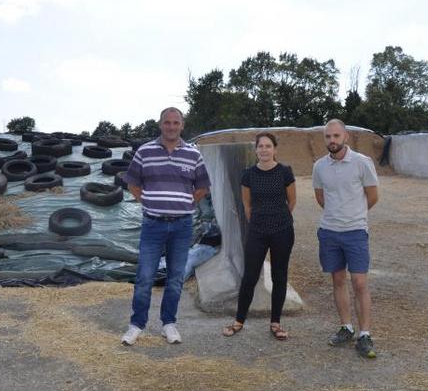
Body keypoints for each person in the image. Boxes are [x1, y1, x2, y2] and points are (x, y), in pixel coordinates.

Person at [120, 107, 211, 346]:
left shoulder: (193, 154)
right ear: (160, 125)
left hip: (182, 227)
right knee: (144, 277)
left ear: (182, 125)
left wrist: (188, 203)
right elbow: (132, 183)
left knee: (175, 278)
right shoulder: (145, 152)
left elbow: (203, 186)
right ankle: (136, 325)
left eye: (176, 122)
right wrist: (147, 201)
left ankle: (168, 324)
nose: (171, 126)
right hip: (153, 225)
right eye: (167, 122)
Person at [312, 119, 379, 358]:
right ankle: (346, 327)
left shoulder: (362, 163)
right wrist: (336, 215)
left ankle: (365, 334)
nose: (332, 140)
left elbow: (372, 196)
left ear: (346, 137)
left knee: (360, 283)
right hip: (329, 232)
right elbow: (320, 197)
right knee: (338, 280)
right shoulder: (319, 166)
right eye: (328, 137)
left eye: (336, 136)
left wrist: (354, 215)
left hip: (356, 232)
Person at [222, 132, 296, 340]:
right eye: (260, 146)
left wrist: (278, 219)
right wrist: (260, 220)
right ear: (256, 150)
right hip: (257, 231)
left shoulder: (285, 172)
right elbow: (247, 205)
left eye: (268, 146)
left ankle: (276, 322)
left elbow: (292, 202)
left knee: (279, 276)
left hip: (282, 230)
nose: (264, 150)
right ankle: (239, 320)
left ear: (275, 149)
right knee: (250, 277)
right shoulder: (248, 174)